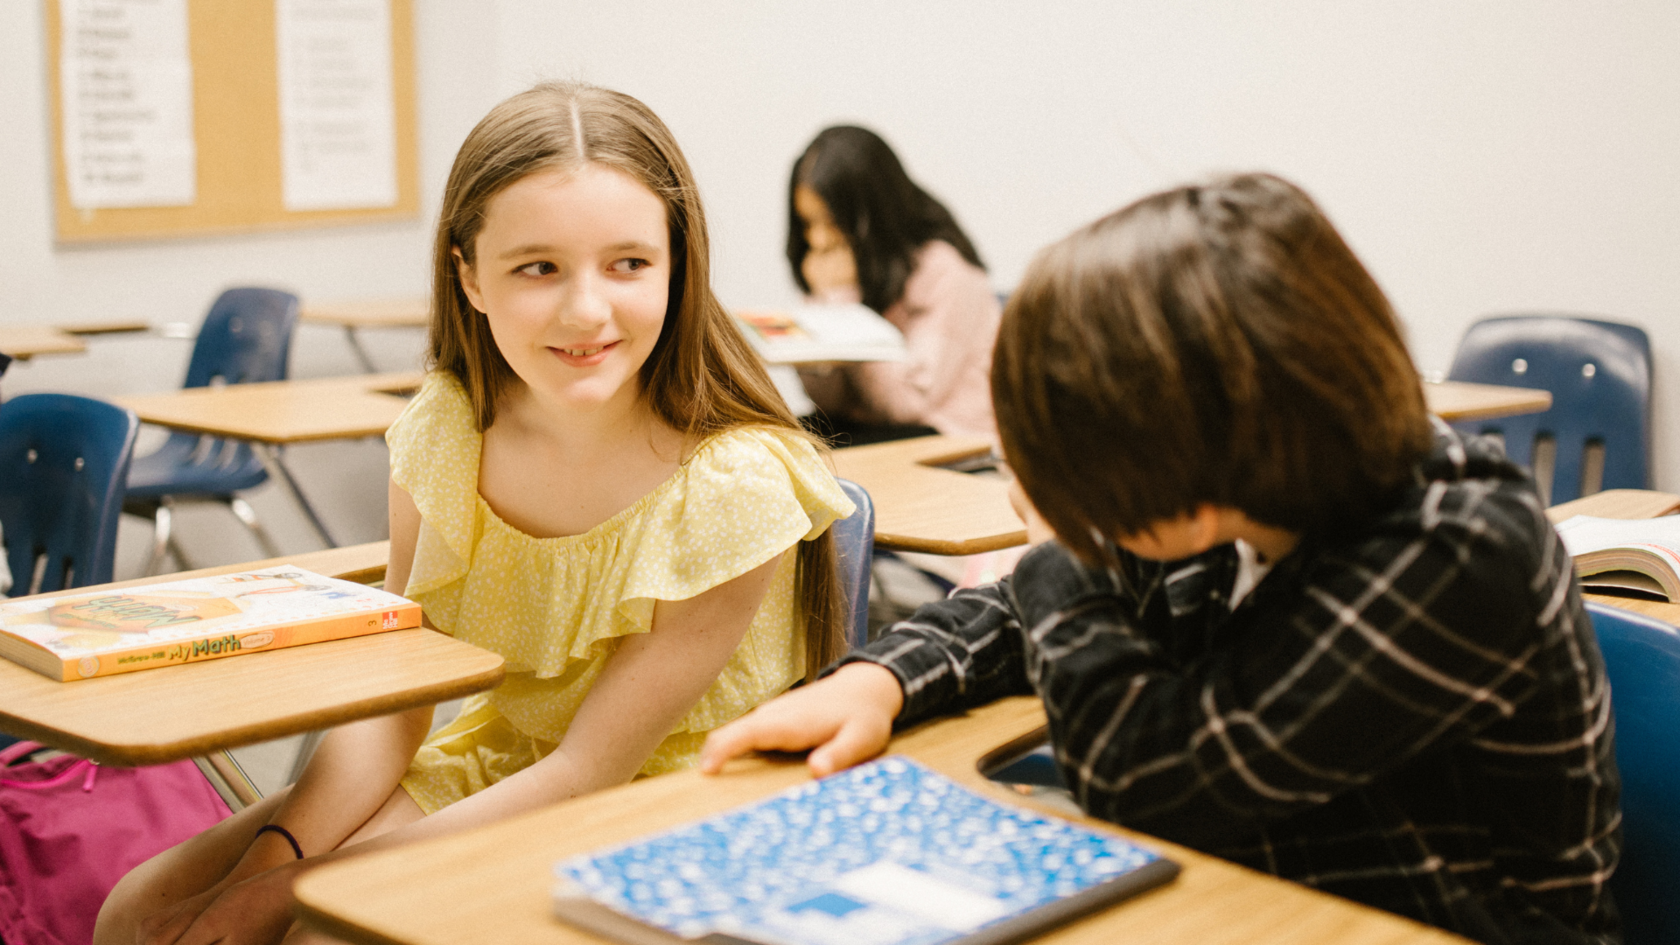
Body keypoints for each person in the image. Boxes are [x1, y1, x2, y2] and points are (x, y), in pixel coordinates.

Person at [704, 173, 1621, 944]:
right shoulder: (1242, 497)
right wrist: (885, 681)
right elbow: (1027, 608)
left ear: (1210, 443)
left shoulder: (1460, 551)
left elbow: (1149, 779)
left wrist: (1061, 540)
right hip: (1254, 900)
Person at [97, 81, 854, 945]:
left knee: (319, 933)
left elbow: (589, 770)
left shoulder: (731, 488)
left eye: (629, 263)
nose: (585, 310)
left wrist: (280, 896)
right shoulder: (448, 431)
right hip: (509, 763)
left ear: (677, 265)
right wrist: (269, 866)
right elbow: (395, 709)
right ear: (470, 276)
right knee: (134, 912)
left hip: (669, 801)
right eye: (539, 267)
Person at [788, 125, 1001, 443]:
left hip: (945, 436)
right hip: (872, 425)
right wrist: (825, 307)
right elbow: (829, 403)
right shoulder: (844, 274)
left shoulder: (948, 274)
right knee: (772, 438)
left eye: (830, 223)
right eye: (808, 223)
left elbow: (907, 405)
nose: (817, 239)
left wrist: (844, 306)